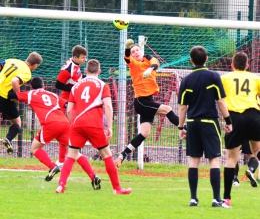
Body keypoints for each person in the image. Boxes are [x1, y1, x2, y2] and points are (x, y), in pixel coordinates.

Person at [56, 59, 132, 195]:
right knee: (107, 155)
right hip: (94, 125)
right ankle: (117, 188)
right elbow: (108, 106)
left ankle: (61, 186)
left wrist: (72, 124)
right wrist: (109, 126)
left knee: (71, 156)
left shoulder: (76, 86)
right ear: (99, 71)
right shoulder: (102, 85)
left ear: (85, 71)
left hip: (77, 124)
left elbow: (69, 110)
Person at [178, 46, 232, 208]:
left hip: (193, 124)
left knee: (193, 161)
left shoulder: (186, 80)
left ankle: (193, 198)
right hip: (209, 122)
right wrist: (228, 121)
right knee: (214, 160)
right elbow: (221, 102)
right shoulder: (214, 76)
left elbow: (182, 107)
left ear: (191, 60)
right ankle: (216, 199)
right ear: (207, 58)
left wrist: (181, 127)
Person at [116, 39, 180, 167]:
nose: (135, 53)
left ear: (141, 51)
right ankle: (186, 128)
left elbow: (155, 62)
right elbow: (127, 57)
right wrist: (127, 48)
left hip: (148, 99)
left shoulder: (148, 60)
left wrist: (150, 69)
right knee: (167, 109)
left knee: (145, 133)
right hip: (141, 100)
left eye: (137, 50)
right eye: (133, 51)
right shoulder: (133, 63)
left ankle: (122, 155)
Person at [221, 51, 260, 207]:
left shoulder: (224, 78)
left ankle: (227, 198)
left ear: (232, 65)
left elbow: (220, 99)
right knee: (256, 150)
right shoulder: (256, 77)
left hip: (234, 116)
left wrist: (225, 119)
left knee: (231, 158)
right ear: (247, 65)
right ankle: (252, 167)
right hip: (253, 115)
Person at [0, 52, 43, 155]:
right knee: (17, 123)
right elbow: (15, 81)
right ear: (36, 65)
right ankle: (8, 138)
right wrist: (18, 96)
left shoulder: (12, 60)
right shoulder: (27, 73)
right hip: (4, 96)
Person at [55, 45, 87, 167]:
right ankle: (62, 160)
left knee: (73, 129)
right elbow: (58, 84)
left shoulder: (76, 65)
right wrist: (73, 87)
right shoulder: (67, 70)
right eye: (83, 57)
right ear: (75, 57)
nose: (85, 60)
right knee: (67, 130)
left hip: (75, 100)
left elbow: (77, 78)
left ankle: (67, 158)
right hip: (67, 102)